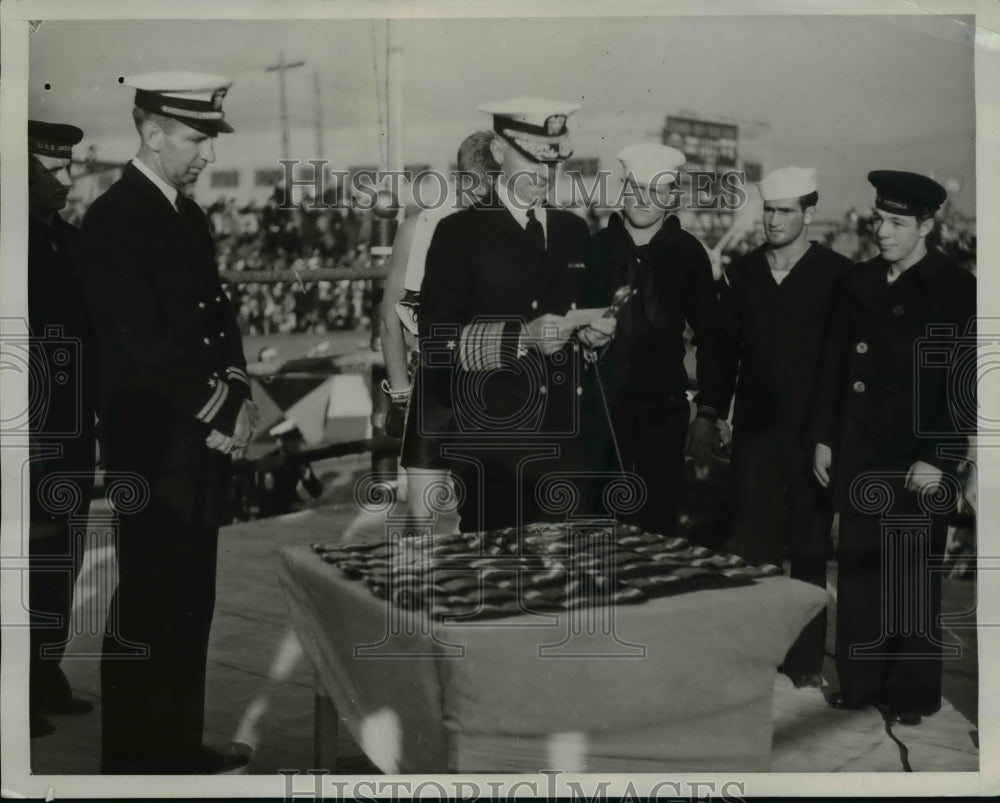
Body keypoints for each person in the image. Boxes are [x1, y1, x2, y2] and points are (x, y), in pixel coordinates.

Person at [76, 72, 257, 773]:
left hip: (195, 434)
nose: (206, 153)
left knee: (189, 598)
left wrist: (236, 391)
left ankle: (175, 744)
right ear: (152, 134)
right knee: (152, 598)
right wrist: (218, 408)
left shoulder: (184, 213)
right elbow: (142, 341)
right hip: (155, 441)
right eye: (195, 138)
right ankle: (134, 757)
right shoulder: (118, 215)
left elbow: (217, 319)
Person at [809, 170, 975, 725]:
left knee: (909, 575)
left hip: (915, 459)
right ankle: (858, 685)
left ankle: (910, 693)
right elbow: (832, 369)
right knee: (857, 574)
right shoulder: (856, 283)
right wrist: (825, 438)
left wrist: (938, 455)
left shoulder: (954, 287)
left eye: (898, 223)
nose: (883, 231)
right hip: (858, 450)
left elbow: (961, 383)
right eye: (880, 219)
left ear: (928, 226)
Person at [416, 97, 616, 533]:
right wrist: (521, 338)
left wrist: (594, 335)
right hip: (492, 446)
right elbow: (434, 340)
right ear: (499, 152)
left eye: (554, 162)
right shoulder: (459, 233)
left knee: (570, 582)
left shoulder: (573, 231)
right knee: (495, 584)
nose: (545, 174)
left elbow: (583, 315)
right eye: (532, 159)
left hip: (567, 441)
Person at [719, 166, 854, 687]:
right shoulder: (743, 272)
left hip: (811, 435)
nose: (773, 219)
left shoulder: (838, 275)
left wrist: (827, 437)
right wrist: (719, 415)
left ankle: (803, 663)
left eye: (785, 211)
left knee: (808, 550)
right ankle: (753, 658)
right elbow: (727, 353)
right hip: (755, 432)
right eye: (768, 210)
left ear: (809, 214)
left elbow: (841, 365)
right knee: (751, 549)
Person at [587, 144, 730, 537]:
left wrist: (707, 412)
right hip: (600, 414)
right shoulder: (594, 249)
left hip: (662, 414)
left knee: (659, 531)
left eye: (657, 190)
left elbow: (713, 336)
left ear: (672, 196)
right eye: (636, 187)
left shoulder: (688, 253)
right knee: (596, 531)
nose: (644, 200)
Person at [379, 130, 498, 525]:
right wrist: (399, 395)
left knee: (469, 515)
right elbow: (391, 316)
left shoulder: (422, 225)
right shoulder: (422, 226)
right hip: (448, 381)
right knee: (428, 519)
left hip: (470, 380)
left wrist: (399, 394)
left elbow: (389, 317)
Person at [26, 120, 98, 739]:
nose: (69, 180)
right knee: (24, 553)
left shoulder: (71, 243)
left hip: (72, 426)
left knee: (62, 552)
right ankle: (14, 687)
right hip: (24, 429)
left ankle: (45, 670)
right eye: (55, 170)